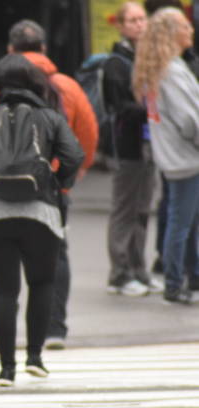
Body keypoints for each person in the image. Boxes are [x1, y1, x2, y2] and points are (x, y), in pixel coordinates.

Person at [0, 19, 98, 351]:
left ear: (8, 51)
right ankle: (50, 335)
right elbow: (85, 137)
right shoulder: (64, 90)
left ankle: (6, 359)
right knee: (51, 269)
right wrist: (63, 182)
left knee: (3, 289)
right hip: (45, 198)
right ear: (43, 49)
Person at [132, 7, 199, 304]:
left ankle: (188, 276)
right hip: (186, 157)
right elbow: (188, 120)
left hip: (172, 156)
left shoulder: (159, 69)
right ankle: (175, 282)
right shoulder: (172, 71)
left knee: (182, 220)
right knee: (181, 223)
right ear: (173, 34)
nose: (191, 31)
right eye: (186, 26)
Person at [102, 2, 163, 297]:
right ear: (122, 26)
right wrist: (149, 108)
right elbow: (118, 108)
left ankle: (138, 268)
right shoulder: (117, 63)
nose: (140, 25)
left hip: (149, 142)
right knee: (125, 208)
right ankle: (120, 272)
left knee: (142, 208)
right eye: (134, 21)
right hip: (128, 144)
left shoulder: (148, 57)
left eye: (143, 19)